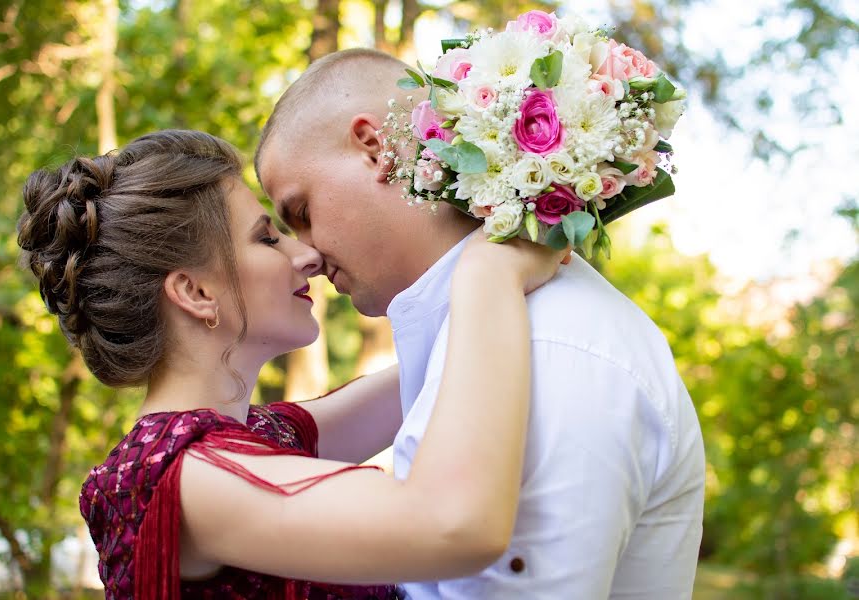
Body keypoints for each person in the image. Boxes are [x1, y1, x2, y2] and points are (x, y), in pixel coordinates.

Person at [17, 129, 569, 599]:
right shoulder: (187, 478)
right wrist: (488, 276)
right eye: (267, 238)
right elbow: (455, 526)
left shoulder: (256, 437)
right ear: (194, 291)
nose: (306, 254)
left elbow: (447, 371)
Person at [256, 48, 707, 599]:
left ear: (375, 148)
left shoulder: (549, 347)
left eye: (301, 213)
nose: (307, 253)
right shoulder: (488, 337)